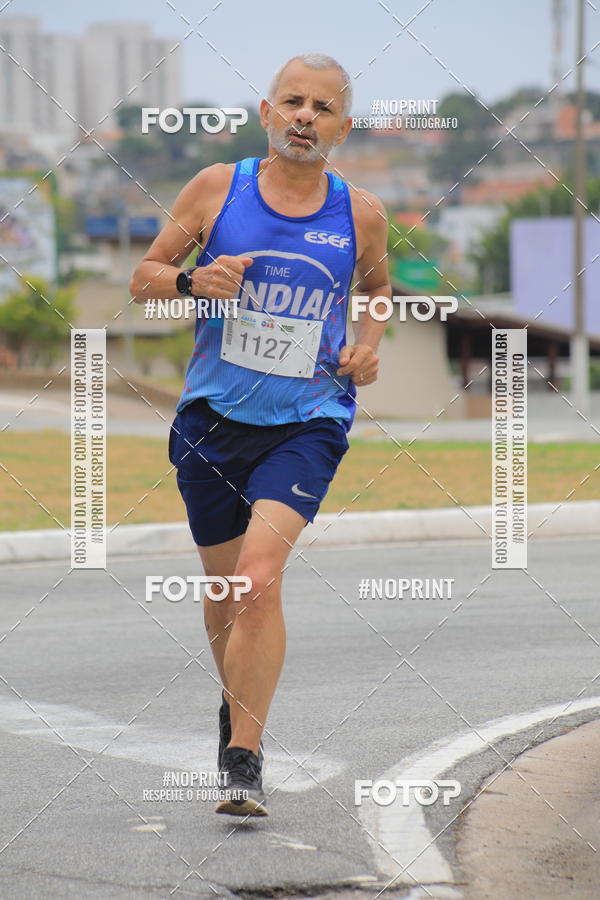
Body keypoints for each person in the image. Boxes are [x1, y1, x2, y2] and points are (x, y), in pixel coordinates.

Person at [130, 52, 391, 816]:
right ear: (267, 113)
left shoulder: (361, 213)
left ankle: (243, 758)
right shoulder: (218, 188)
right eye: (292, 102)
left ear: (343, 127)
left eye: (323, 107)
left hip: (307, 422)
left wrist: (368, 343)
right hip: (212, 421)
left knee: (257, 578)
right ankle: (233, 709)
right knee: (222, 600)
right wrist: (189, 281)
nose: (305, 116)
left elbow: (378, 290)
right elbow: (144, 276)